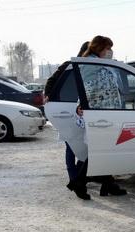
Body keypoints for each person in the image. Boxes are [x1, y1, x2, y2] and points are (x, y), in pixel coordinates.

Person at [67, 35, 127, 200]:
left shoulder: (101, 65)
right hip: (100, 115)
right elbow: (89, 90)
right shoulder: (90, 65)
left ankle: (107, 185)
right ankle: (78, 183)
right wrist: (83, 107)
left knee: (104, 152)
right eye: (107, 48)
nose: (110, 51)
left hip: (107, 113)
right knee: (99, 153)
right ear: (99, 48)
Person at [44, 42, 89, 197]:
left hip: (83, 110)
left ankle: (80, 176)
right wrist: (48, 95)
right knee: (71, 145)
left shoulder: (89, 66)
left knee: (84, 145)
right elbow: (51, 81)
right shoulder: (70, 65)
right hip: (70, 109)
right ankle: (74, 178)